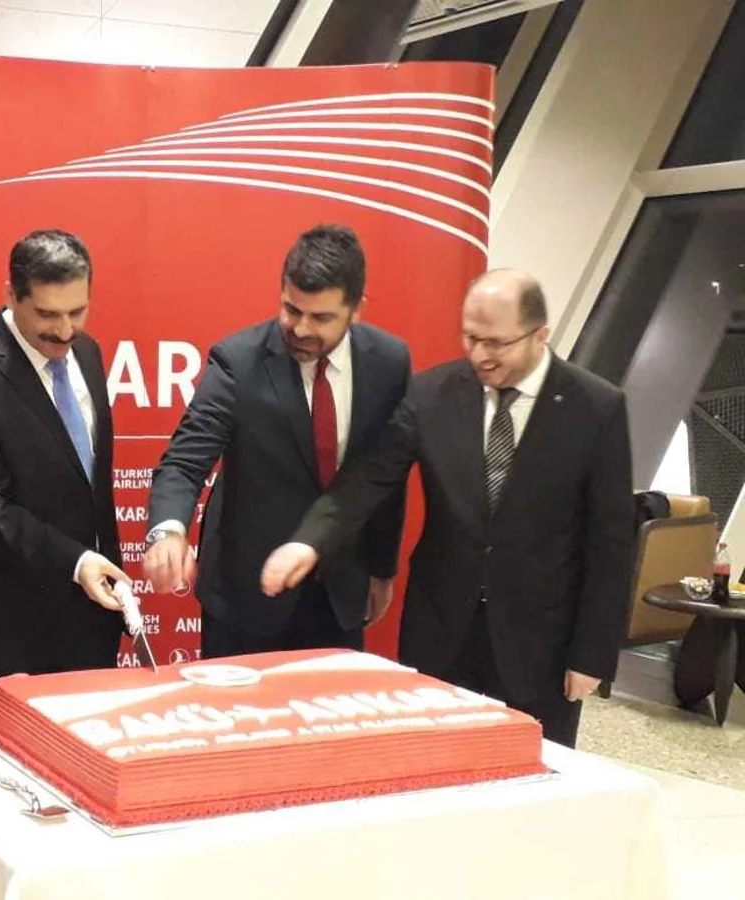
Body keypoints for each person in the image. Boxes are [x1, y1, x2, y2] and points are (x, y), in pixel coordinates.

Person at [261, 269, 634, 747]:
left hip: (541, 643)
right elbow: (368, 479)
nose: (479, 355)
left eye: (496, 343)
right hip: (441, 633)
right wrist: (309, 541)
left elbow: (611, 543)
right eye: (470, 337)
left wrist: (591, 655)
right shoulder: (431, 393)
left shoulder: (596, 408)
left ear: (540, 335)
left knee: (533, 776)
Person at [144, 224, 410, 657]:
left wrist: (381, 569)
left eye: (321, 318)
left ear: (356, 310)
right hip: (247, 599)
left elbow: (386, 477)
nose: (300, 328)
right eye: (291, 309)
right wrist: (168, 530)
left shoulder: (389, 362)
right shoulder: (238, 361)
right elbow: (185, 460)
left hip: (338, 592)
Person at [0, 229, 128, 719]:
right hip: (7, 626)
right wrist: (77, 562)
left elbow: (86, 484)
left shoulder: (88, 352)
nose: (64, 330)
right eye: (46, 314)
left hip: (90, 616)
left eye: (77, 311)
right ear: (10, 296)